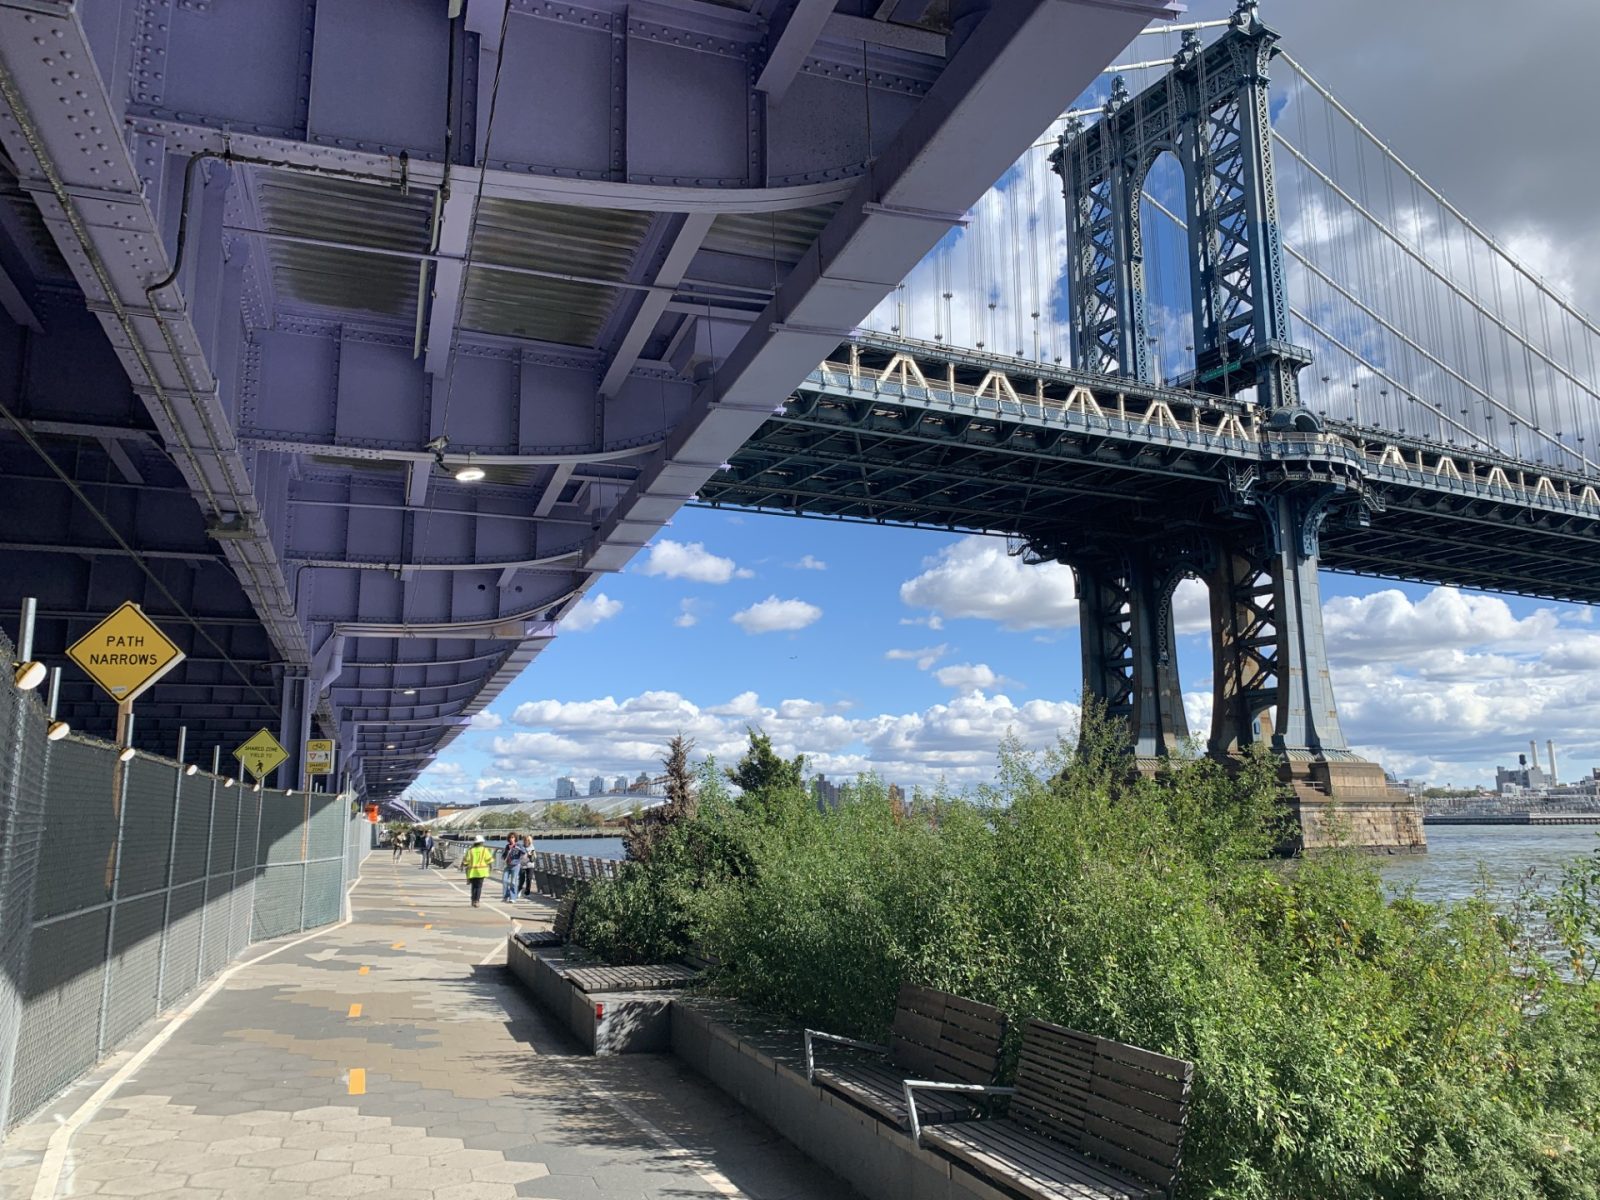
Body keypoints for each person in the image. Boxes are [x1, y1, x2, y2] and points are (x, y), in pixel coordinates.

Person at [462, 835, 494, 907]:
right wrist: (490, 867)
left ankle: (473, 900)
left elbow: (466, 861)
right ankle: (477, 901)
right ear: (482, 842)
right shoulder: (484, 850)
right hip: (481, 871)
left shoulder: (470, 850)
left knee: (473, 886)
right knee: (479, 887)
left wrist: (465, 865)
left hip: (472, 871)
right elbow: (489, 860)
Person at [502, 833, 527, 903]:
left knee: (513, 882)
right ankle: (506, 896)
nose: (511, 839)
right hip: (508, 865)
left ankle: (513, 897)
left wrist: (518, 848)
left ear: (515, 838)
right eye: (510, 838)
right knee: (504, 880)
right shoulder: (507, 846)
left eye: (512, 837)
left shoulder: (519, 845)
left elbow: (524, 852)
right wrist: (506, 852)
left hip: (515, 865)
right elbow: (503, 856)